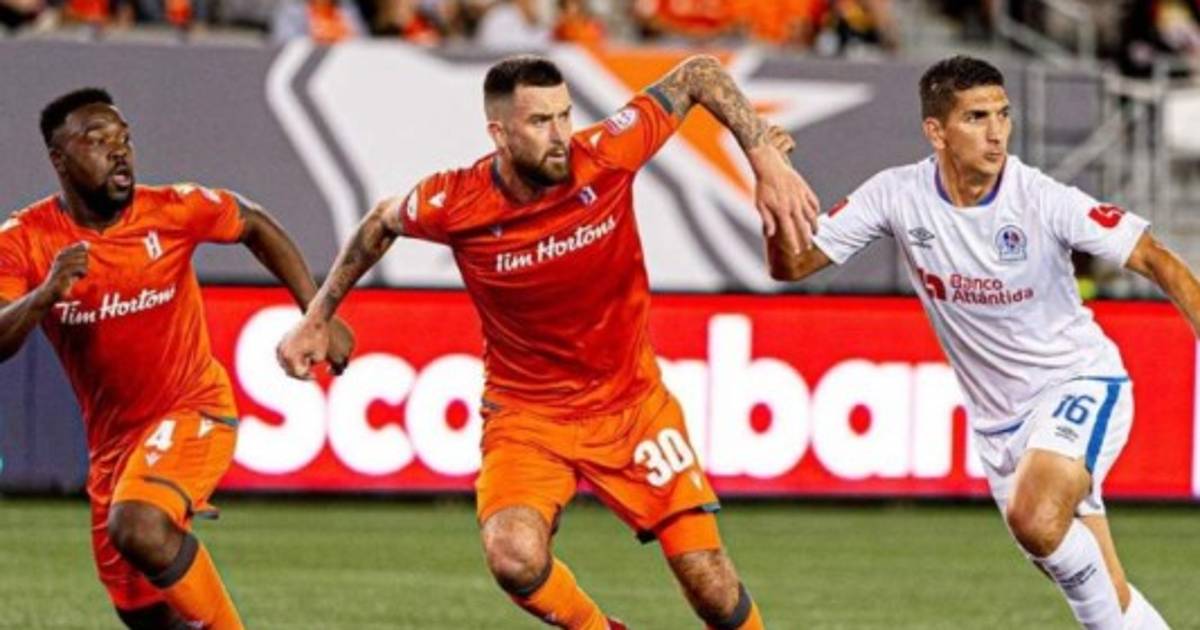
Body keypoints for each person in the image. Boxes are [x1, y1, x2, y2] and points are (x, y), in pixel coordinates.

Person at [277, 54, 817, 629]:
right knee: (513, 555)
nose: (560, 135)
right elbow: (380, 223)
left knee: (711, 585)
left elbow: (700, 74)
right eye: (540, 121)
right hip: (528, 418)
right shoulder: (455, 202)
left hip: (633, 407)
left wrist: (763, 159)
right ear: (499, 133)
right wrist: (318, 316)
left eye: (564, 115)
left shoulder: (606, 154)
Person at [767, 55, 1180, 629]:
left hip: (1078, 381)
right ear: (936, 132)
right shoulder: (897, 194)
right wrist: (772, 186)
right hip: (1000, 426)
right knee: (1097, 584)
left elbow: (1156, 258)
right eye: (976, 117)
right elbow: (792, 264)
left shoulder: (1040, 198)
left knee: (1036, 518)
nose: (997, 133)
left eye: (1003, 114)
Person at [0, 87, 354, 629]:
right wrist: (45, 294)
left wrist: (316, 313)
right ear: (59, 159)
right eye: (97, 140)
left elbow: (252, 221)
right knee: (142, 614)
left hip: (194, 409)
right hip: (114, 448)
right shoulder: (24, 239)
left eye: (124, 138)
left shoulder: (171, 209)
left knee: (140, 526)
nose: (119, 151)